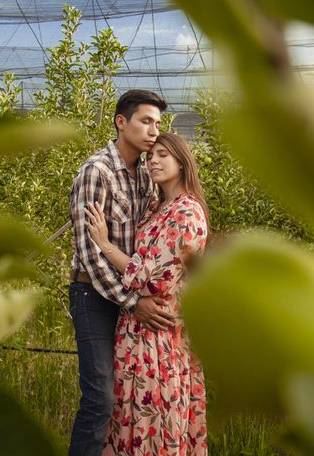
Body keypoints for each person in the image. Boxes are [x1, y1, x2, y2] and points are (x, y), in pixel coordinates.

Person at [85, 132, 209, 456]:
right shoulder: (157, 206)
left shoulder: (188, 213)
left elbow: (152, 279)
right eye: (151, 155)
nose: (153, 160)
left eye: (163, 155)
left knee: (155, 422)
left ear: (182, 162)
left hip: (159, 336)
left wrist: (105, 244)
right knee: (127, 423)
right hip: (134, 332)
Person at [69, 89, 174, 456]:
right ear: (121, 121)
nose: (153, 131)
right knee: (99, 398)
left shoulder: (144, 176)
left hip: (129, 295)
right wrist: (134, 302)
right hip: (94, 296)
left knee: (126, 398)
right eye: (146, 121)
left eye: (157, 124)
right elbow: (90, 254)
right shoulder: (96, 172)